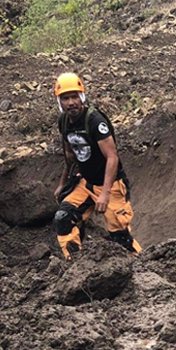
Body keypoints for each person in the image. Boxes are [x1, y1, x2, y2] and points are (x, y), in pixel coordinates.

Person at [52, 73, 141, 259]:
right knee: (63, 218)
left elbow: (112, 157)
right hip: (85, 181)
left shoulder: (94, 121)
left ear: (82, 97)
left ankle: (142, 267)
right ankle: (75, 265)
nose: (71, 103)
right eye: (66, 98)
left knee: (120, 236)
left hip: (110, 184)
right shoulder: (64, 122)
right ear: (59, 102)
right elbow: (70, 156)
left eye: (75, 96)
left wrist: (105, 193)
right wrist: (63, 183)